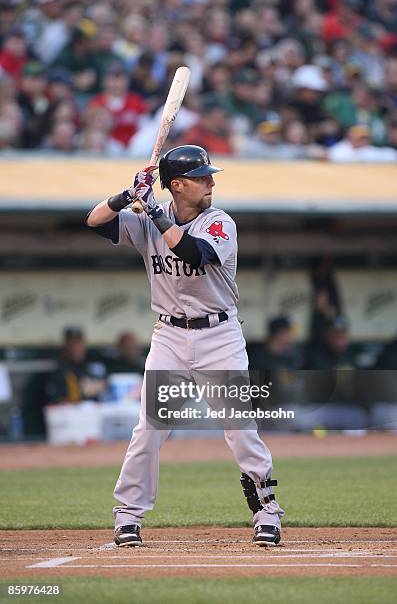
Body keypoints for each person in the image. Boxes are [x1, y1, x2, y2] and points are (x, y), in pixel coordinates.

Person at [86, 144, 284, 548]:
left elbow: (193, 254)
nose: (210, 182)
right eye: (200, 177)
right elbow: (94, 221)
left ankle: (267, 511)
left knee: (240, 428)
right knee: (149, 430)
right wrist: (127, 195)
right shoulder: (145, 222)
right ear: (177, 185)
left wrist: (153, 209)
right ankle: (128, 515)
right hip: (170, 337)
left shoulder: (220, 222)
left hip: (219, 336)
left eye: (208, 175)